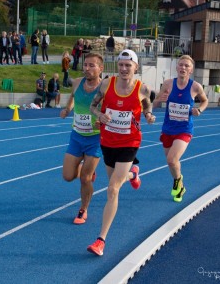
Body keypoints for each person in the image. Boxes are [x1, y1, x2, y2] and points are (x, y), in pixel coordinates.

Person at [87, 49, 156, 256]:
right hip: (108, 141)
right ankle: (133, 174)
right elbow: (92, 106)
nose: (125, 69)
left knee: (112, 190)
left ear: (136, 67)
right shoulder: (107, 84)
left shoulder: (141, 88)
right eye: (122, 65)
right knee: (114, 183)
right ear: (118, 66)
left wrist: (149, 114)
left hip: (129, 142)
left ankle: (101, 240)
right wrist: (99, 114)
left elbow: (147, 104)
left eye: (129, 65)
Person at [154, 55, 208, 204]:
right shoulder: (168, 84)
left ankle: (177, 182)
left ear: (191, 70)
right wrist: (159, 100)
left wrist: (200, 110)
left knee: (172, 160)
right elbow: (155, 104)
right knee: (170, 162)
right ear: (177, 67)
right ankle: (180, 183)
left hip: (184, 129)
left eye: (187, 66)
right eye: (181, 65)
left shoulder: (195, 86)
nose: (183, 68)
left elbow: (205, 100)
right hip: (168, 129)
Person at [60, 53, 104, 225]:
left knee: (85, 179)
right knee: (68, 176)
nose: (87, 68)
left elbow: (111, 111)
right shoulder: (77, 82)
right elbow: (72, 97)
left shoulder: (105, 88)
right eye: (85, 65)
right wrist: (67, 109)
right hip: (77, 136)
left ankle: (83, 209)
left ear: (100, 68)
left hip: (95, 139)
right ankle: (88, 170)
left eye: (91, 65)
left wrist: (101, 121)